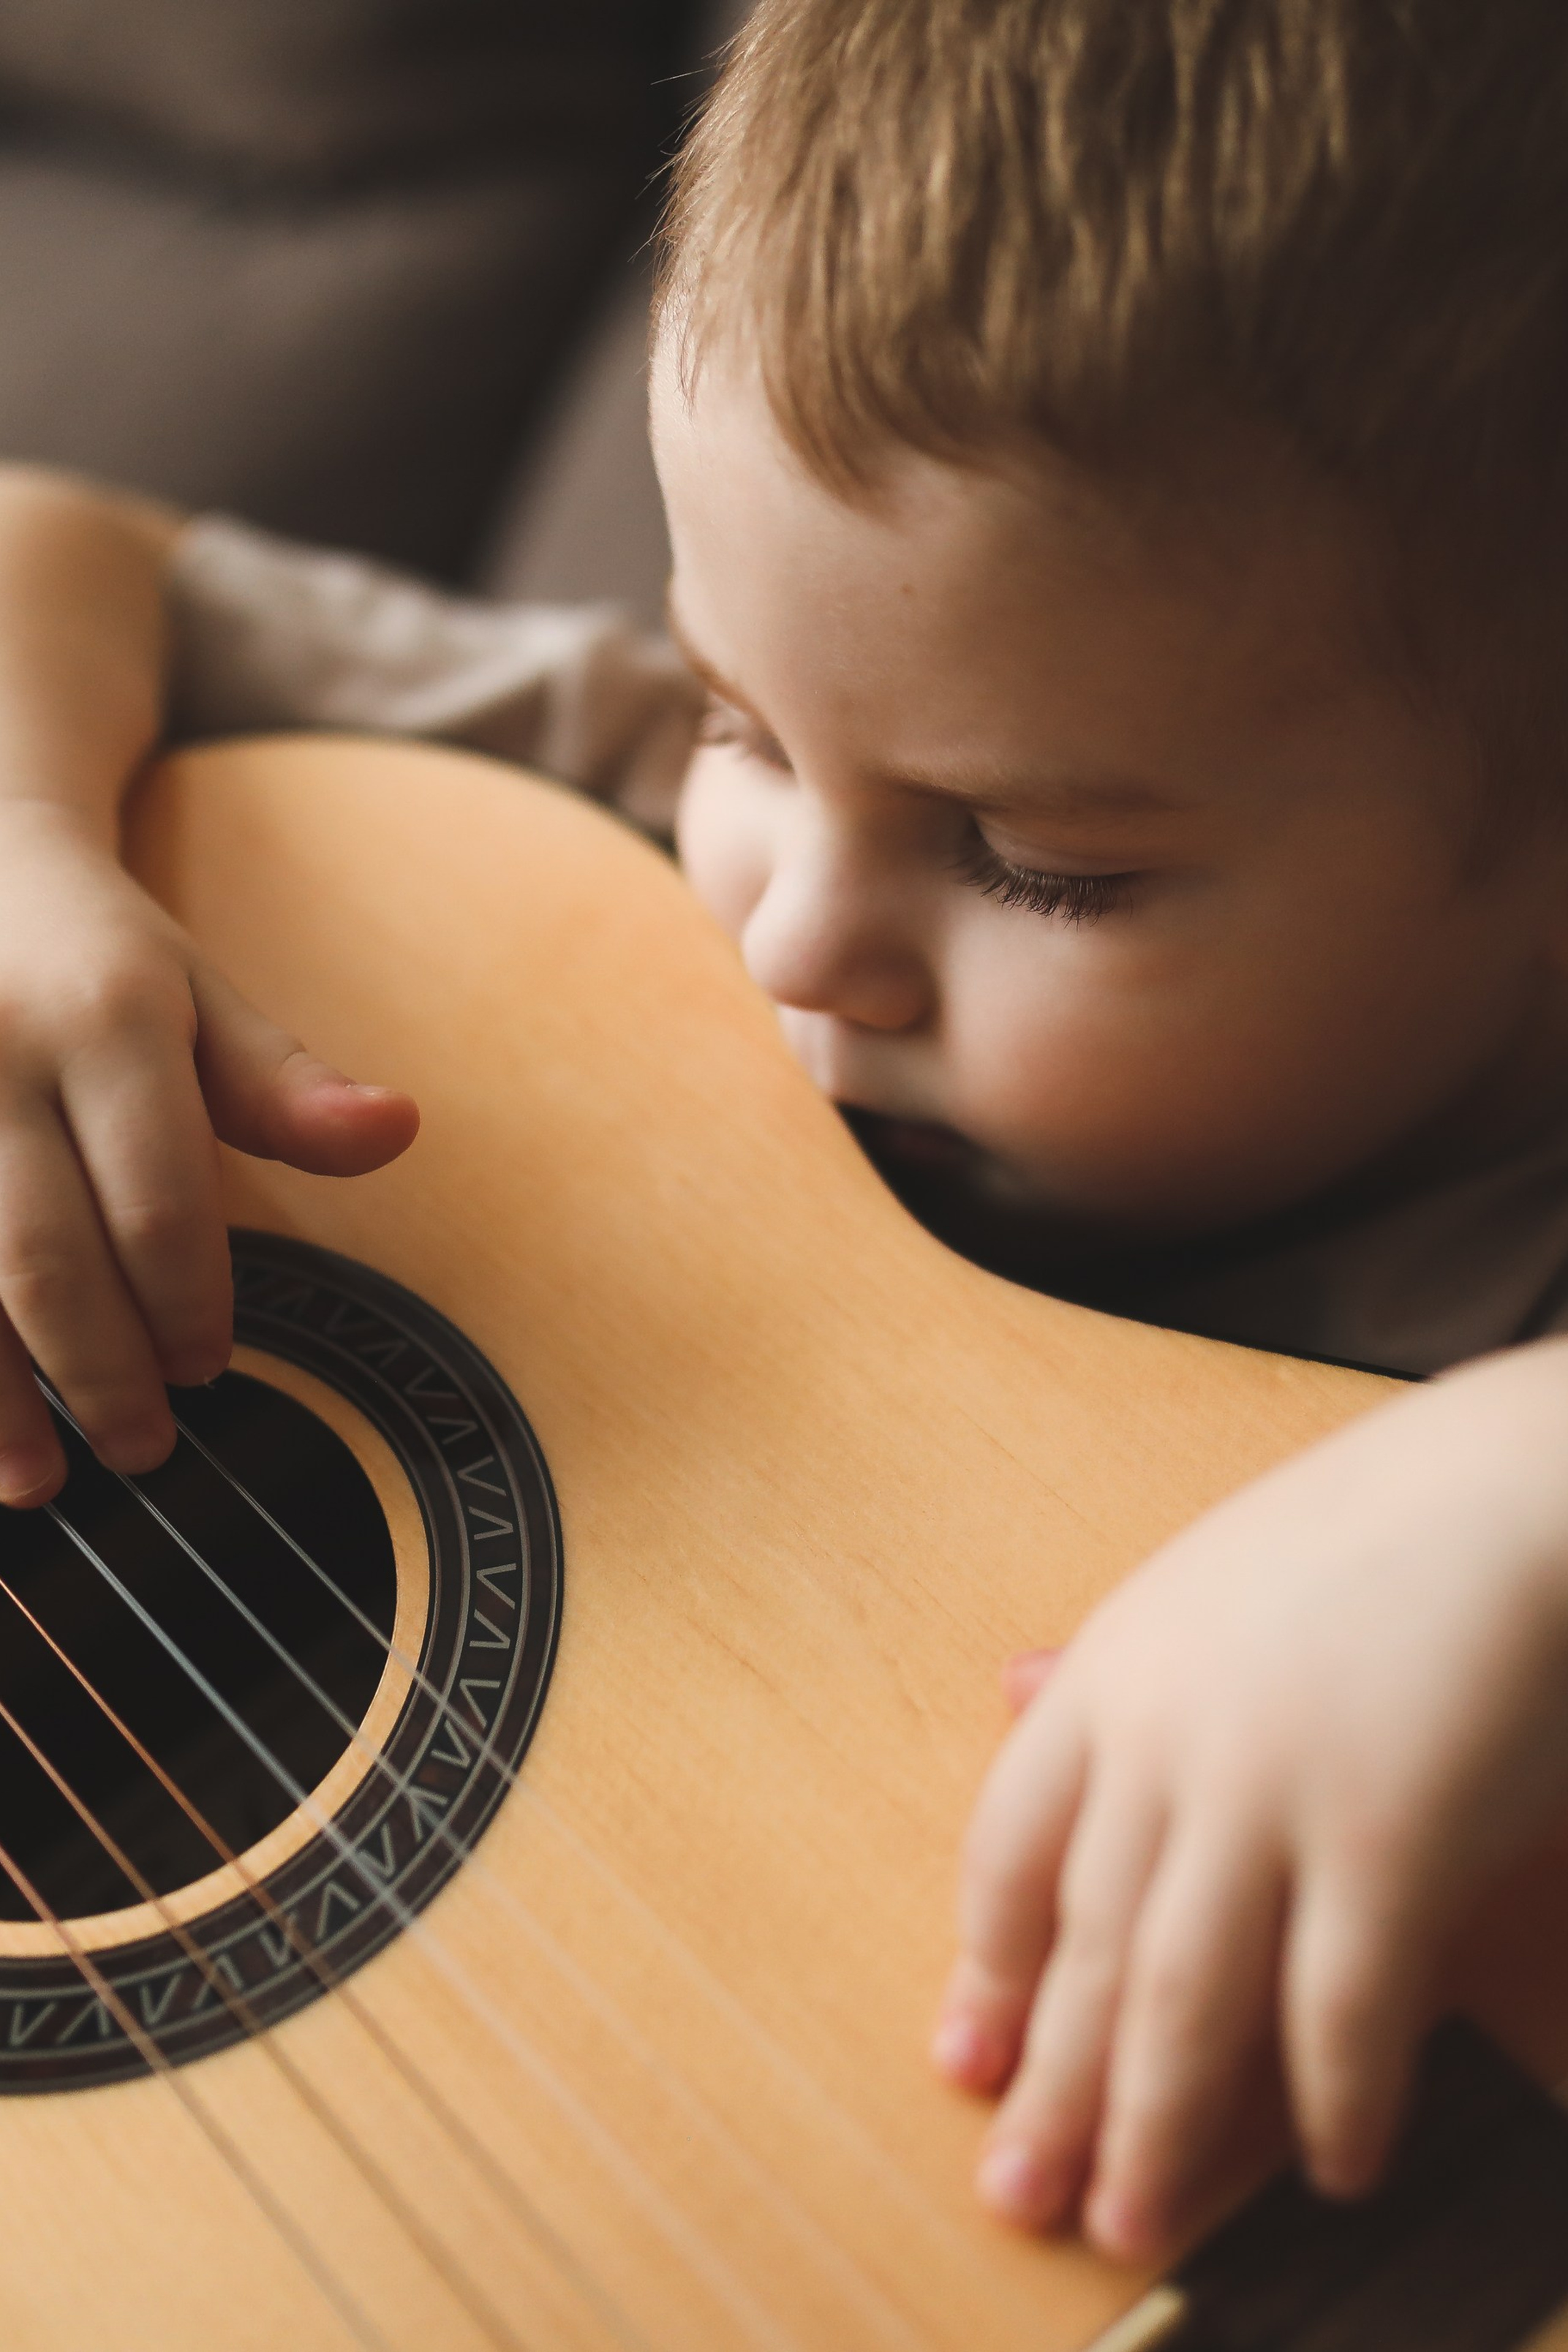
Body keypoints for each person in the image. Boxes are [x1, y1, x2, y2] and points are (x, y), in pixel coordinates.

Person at [2, 0, 1568, 2275]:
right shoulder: (658, 796)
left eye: (1038, 863)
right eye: (740, 716)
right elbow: (62, 543)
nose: (788, 930)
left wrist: (1517, 1499)